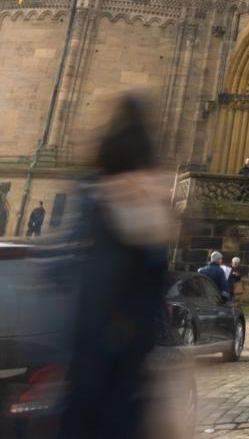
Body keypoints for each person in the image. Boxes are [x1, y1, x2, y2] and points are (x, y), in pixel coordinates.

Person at [58, 92, 178, 439]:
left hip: (87, 349)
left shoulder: (90, 193)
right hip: (127, 355)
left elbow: (63, 269)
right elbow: (156, 277)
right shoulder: (154, 205)